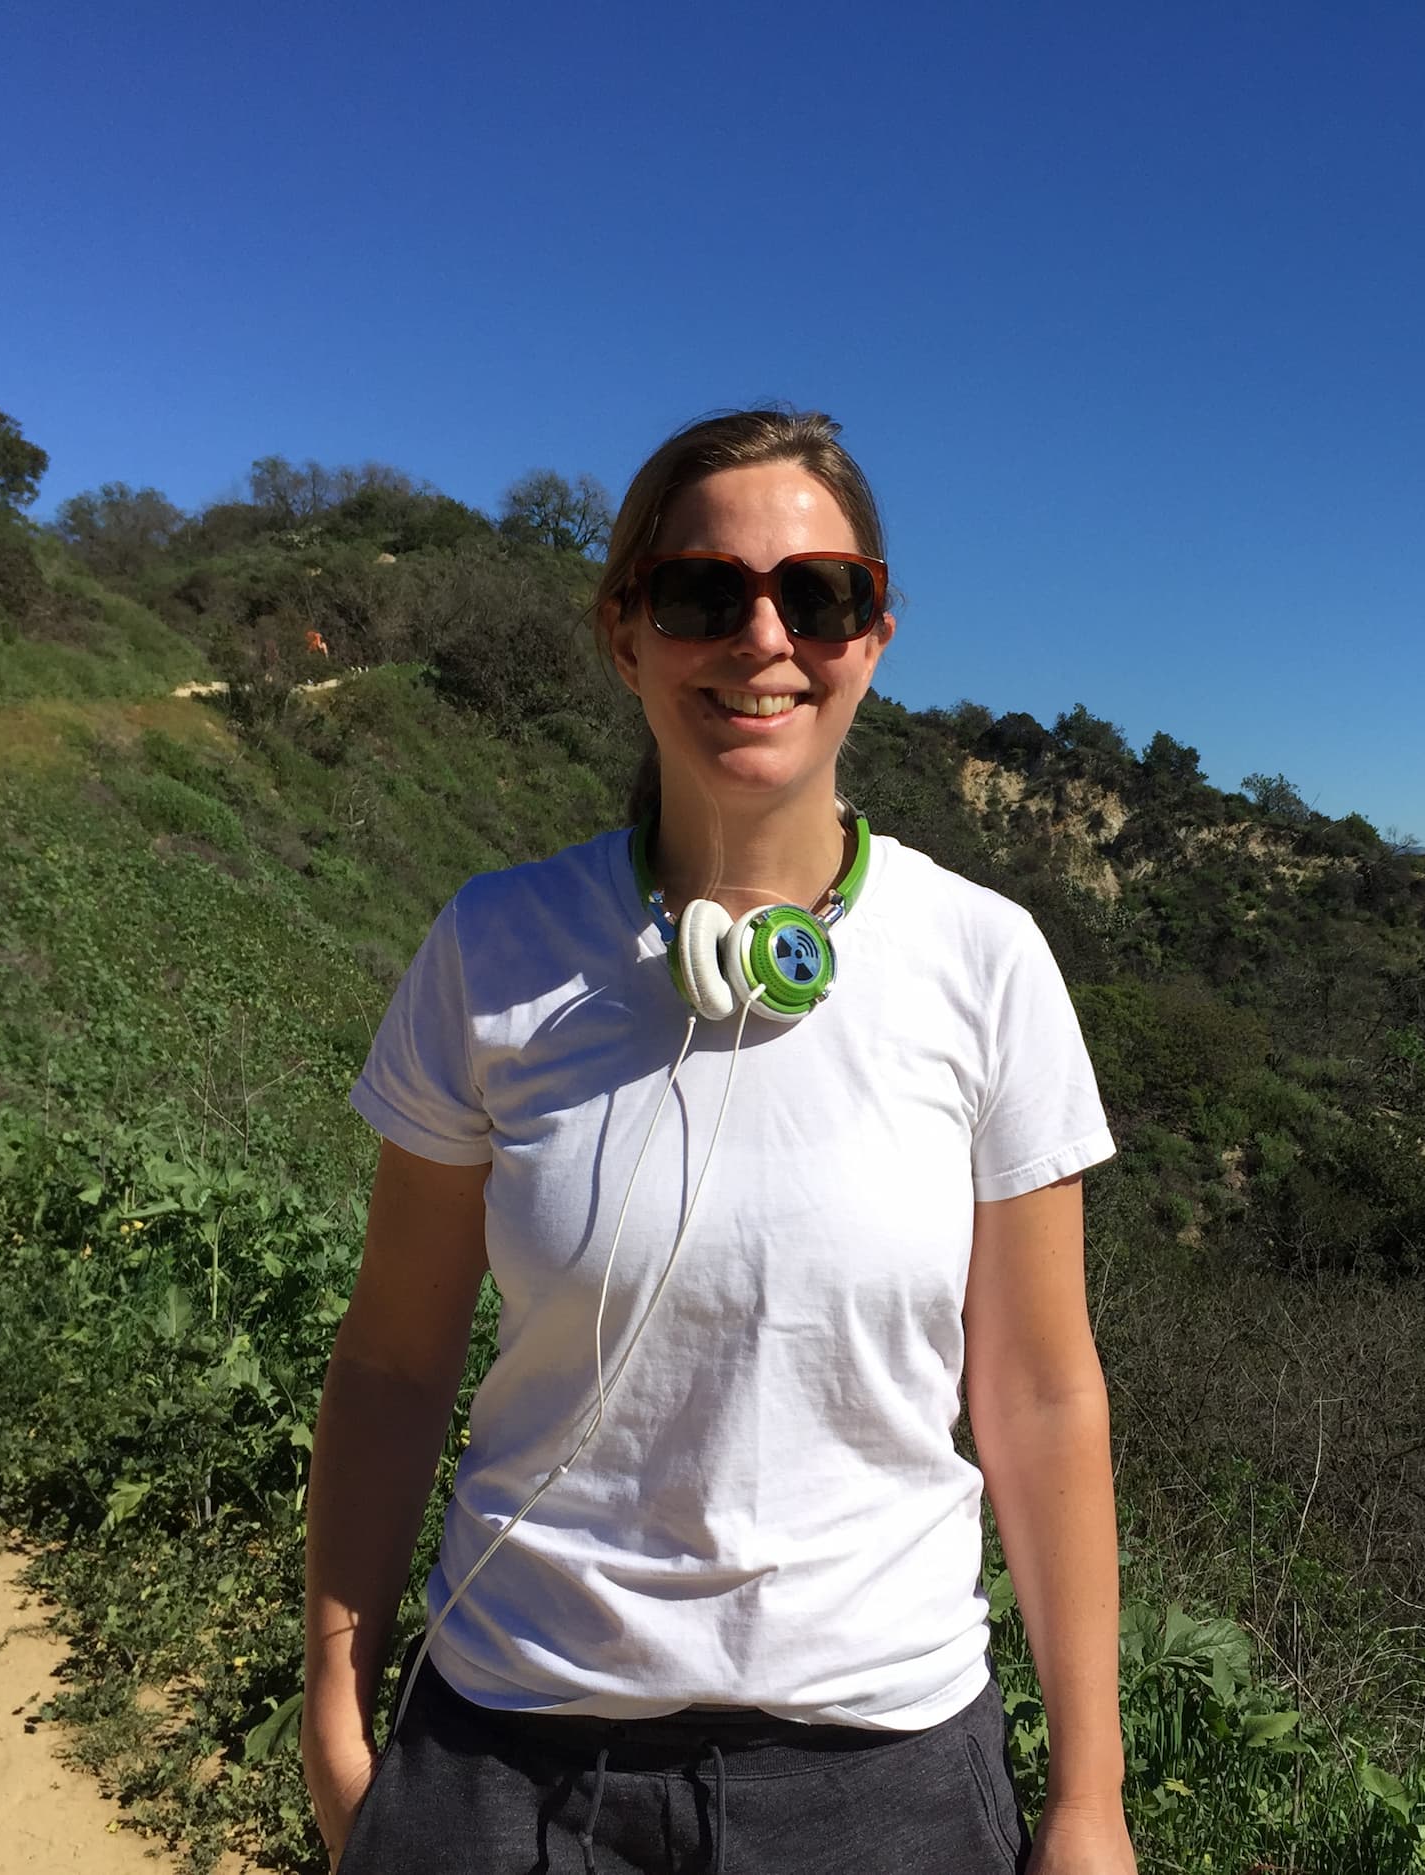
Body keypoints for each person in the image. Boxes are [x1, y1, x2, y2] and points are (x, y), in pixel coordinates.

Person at [304, 408, 1135, 1875]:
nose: (764, 638)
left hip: (885, 1781)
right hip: (507, 1756)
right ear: (626, 631)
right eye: (704, 593)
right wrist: (335, 1702)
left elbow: (1043, 1390)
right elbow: (390, 1356)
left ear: (873, 634)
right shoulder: (494, 946)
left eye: (816, 596)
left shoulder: (985, 960)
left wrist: (1089, 1800)